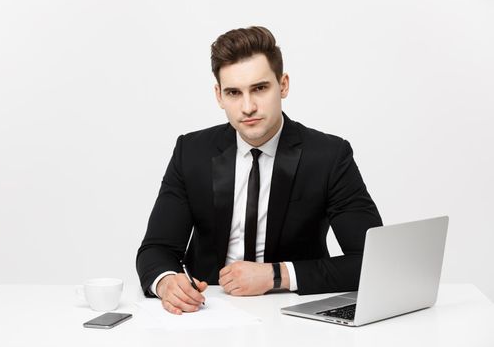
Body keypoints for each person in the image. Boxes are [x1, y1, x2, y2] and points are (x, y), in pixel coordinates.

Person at [136, 26, 382, 315]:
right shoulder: (191, 152)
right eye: (233, 93)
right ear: (219, 96)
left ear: (284, 85)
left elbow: (374, 261)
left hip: (294, 312)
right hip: (207, 311)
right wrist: (167, 283)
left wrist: (276, 275)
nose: (248, 106)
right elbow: (156, 249)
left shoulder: (329, 156)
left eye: (260, 88)